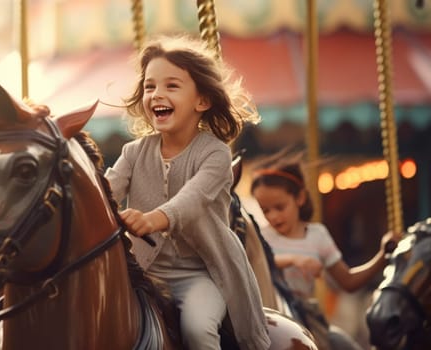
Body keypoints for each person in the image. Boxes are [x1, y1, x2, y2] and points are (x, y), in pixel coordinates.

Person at [104, 34, 270, 350]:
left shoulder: (215, 154)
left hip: (198, 275)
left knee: (198, 329)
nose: (156, 94)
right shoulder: (134, 152)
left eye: (171, 86)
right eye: (150, 86)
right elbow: (106, 191)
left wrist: (152, 219)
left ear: (202, 101)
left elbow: (191, 201)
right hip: (141, 274)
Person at [249, 156, 397, 349]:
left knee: (343, 344)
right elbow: (256, 263)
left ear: (300, 198)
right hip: (265, 315)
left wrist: (383, 256)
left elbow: (348, 281)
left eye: (280, 207)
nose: (273, 216)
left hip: (303, 315)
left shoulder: (317, 236)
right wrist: (293, 260)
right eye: (265, 210)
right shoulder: (260, 237)